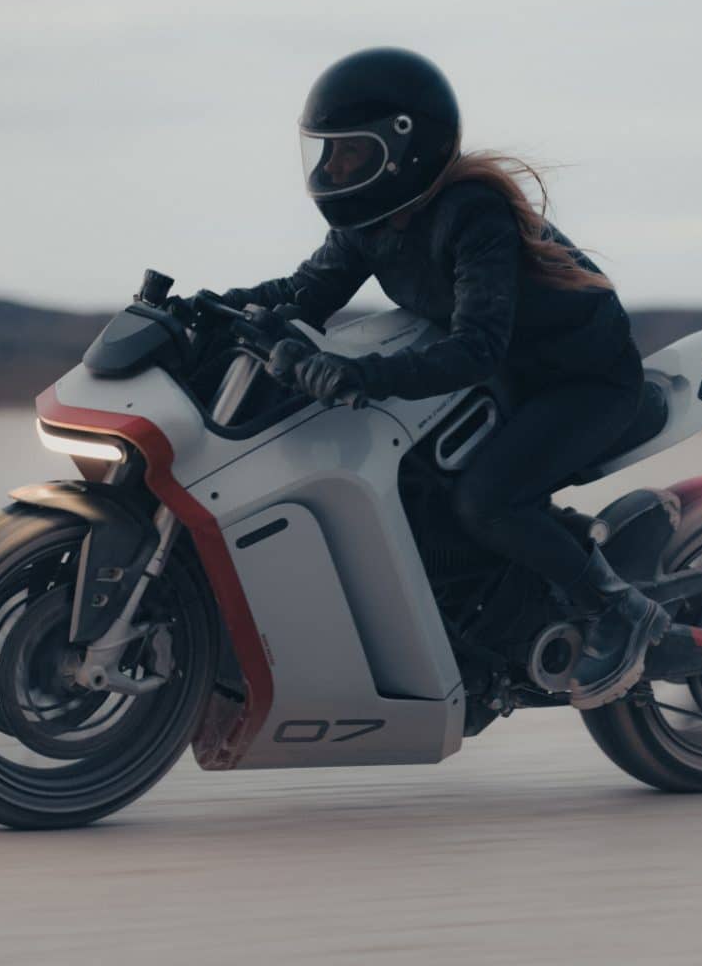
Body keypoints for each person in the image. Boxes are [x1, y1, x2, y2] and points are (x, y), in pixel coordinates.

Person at [204, 47, 671, 709]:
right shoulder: (369, 223)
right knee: (421, 486)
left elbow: (476, 347)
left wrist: (357, 374)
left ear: (404, 151)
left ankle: (623, 612)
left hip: (581, 382)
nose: (333, 169)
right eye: (327, 153)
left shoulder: (470, 211)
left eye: (349, 154)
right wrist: (205, 309)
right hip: (513, 377)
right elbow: (302, 292)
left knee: (487, 500)